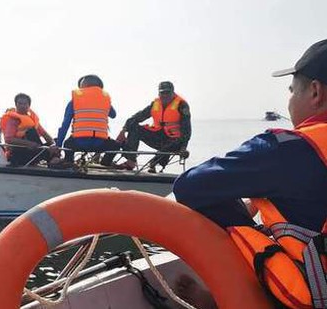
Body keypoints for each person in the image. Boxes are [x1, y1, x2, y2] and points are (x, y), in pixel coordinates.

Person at [173, 40, 327, 309]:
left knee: (240, 225)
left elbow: (190, 186)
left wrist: (250, 211)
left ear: (315, 92)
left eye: (292, 91)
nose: (289, 101)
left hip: (314, 297)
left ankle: (237, 298)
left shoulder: (285, 150)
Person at [117, 81, 191, 172]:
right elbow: (138, 117)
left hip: (174, 140)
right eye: (162, 93)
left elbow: (187, 129)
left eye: (167, 93)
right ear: (158, 93)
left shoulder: (182, 105)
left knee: (170, 146)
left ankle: (153, 164)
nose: (164, 95)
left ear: (173, 92)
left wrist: (184, 147)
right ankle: (130, 161)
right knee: (134, 127)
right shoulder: (155, 104)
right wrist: (123, 130)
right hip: (158, 137)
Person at [56, 75, 122, 166]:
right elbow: (113, 115)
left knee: (67, 143)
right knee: (116, 145)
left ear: (84, 85)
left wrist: (58, 146)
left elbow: (65, 125)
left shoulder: (74, 101)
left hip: (78, 143)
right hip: (101, 143)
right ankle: (106, 163)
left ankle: (69, 161)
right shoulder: (105, 100)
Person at [0, 93, 66, 167]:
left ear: (29, 105)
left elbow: (44, 134)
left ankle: (54, 158)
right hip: (18, 152)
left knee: (55, 141)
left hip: (34, 149)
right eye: (20, 103)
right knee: (31, 131)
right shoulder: (13, 120)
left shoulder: (32, 119)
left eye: (25, 104)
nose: (22, 106)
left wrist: (53, 145)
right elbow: (8, 139)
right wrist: (28, 143)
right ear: (16, 105)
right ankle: (53, 160)